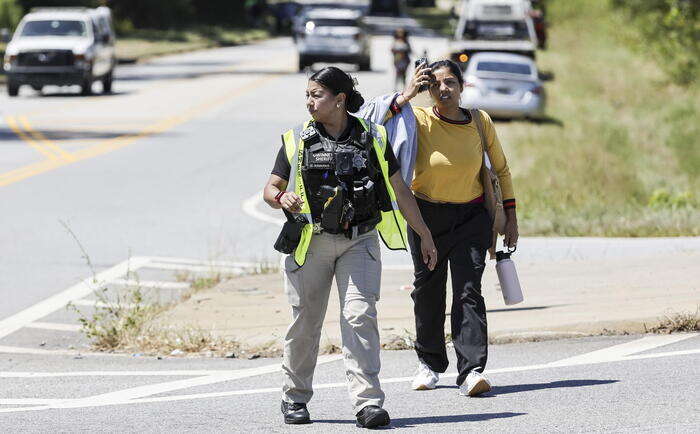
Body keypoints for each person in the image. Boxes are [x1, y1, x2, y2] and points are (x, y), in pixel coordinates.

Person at [263, 66, 437, 428]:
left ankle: (368, 403)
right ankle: (294, 398)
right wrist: (282, 197)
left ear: (340, 100)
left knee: (359, 316)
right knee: (306, 323)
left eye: (317, 95)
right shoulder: (296, 139)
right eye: (307, 95)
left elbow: (400, 189)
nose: (309, 102)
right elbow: (270, 188)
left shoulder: (372, 136)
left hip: (360, 241)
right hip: (311, 243)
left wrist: (424, 234)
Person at [389, 59, 519, 397]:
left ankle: (471, 370)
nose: (443, 90)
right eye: (435, 85)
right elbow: (374, 124)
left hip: (471, 218)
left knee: (468, 291)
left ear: (462, 87)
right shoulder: (416, 118)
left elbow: (501, 170)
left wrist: (511, 216)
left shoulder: (479, 120)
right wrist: (407, 93)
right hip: (426, 218)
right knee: (428, 290)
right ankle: (429, 364)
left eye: (449, 83)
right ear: (427, 90)